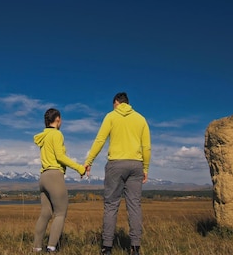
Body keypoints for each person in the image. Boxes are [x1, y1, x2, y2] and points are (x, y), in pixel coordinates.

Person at [84, 92, 151, 255]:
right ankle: (135, 248)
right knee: (134, 206)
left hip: (115, 165)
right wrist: (145, 168)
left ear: (116, 103)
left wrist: (89, 161)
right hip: (136, 165)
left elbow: (100, 140)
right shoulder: (141, 119)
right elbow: (146, 147)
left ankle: (106, 248)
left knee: (111, 206)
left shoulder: (111, 116)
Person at [33, 108, 86, 253]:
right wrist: (79, 168)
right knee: (61, 213)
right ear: (57, 120)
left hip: (43, 177)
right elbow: (60, 157)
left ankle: (36, 248)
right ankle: (51, 248)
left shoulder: (43, 136)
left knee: (45, 213)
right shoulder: (57, 134)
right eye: (61, 119)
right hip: (55, 176)